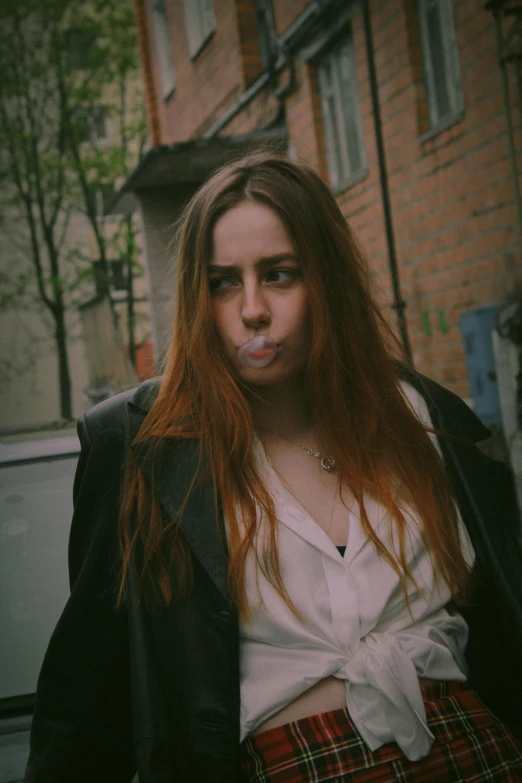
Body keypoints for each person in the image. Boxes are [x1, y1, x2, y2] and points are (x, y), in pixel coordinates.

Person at [25, 152, 522, 783]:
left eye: (280, 274)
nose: (252, 309)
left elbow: (500, 623)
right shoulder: (146, 448)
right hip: (300, 762)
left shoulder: (422, 416)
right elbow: (87, 695)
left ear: (328, 282)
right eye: (224, 282)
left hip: (474, 752)